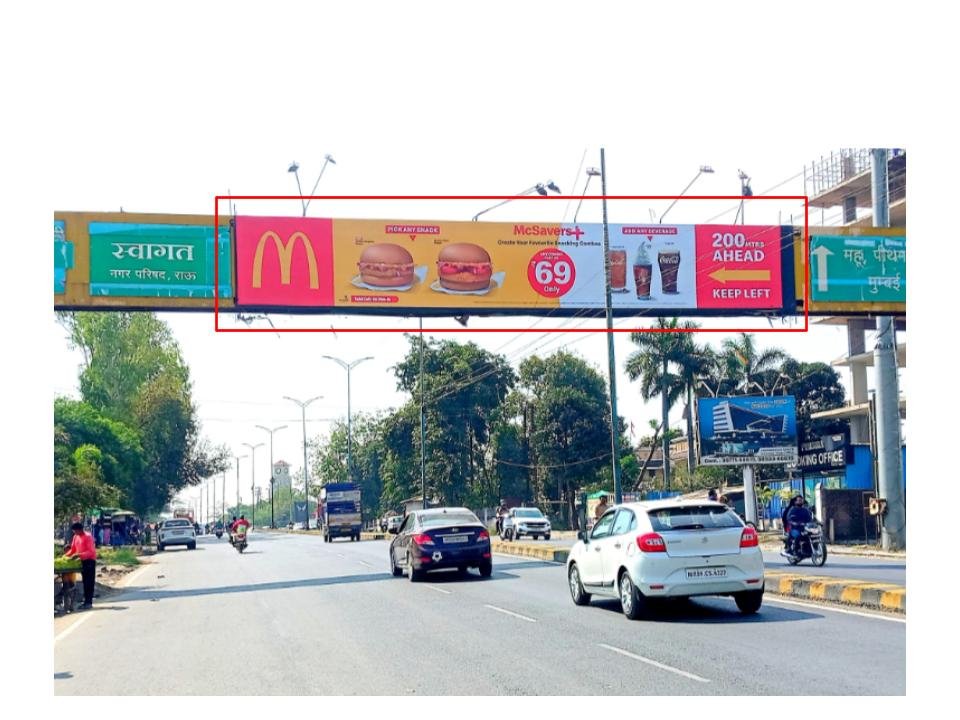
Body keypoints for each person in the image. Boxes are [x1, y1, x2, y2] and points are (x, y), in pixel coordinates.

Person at [63, 521, 97, 610]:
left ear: (80, 530)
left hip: (89, 561)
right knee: (85, 582)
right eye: (74, 531)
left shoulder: (88, 537)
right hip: (82, 561)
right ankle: (86, 601)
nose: (75, 533)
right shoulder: (75, 537)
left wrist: (79, 555)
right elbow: (73, 550)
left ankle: (88, 602)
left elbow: (91, 552)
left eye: (75, 531)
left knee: (89, 582)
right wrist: (65, 556)